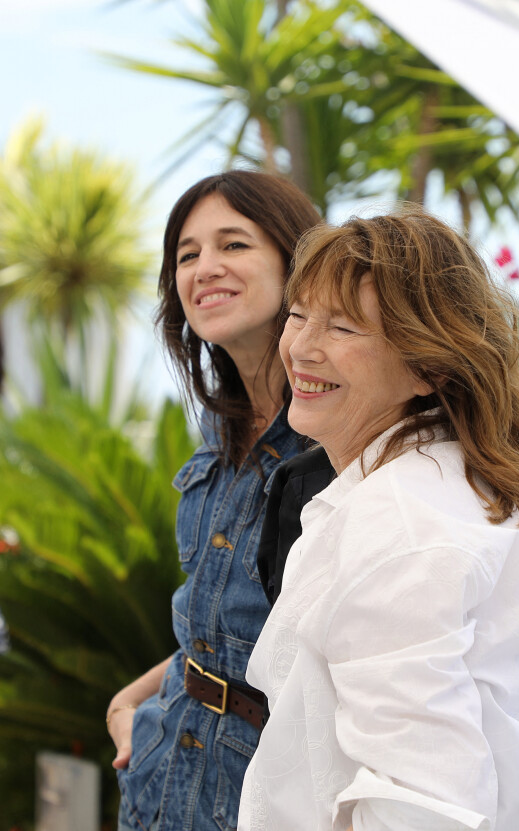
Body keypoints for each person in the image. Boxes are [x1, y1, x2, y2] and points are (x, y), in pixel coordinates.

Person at [238, 208, 519, 830]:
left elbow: (423, 809)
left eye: (342, 327)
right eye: (298, 314)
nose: (302, 347)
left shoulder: (401, 527)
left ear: (430, 367)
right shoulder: (425, 487)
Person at [106, 169, 321, 831]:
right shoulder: (218, 431)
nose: (205, 268)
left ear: (295, 260)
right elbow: (221, 629)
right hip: (164, 773)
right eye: (187, 254)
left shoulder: (340, 438)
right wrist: (131, 701)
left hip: (265, 793)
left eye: (233, 244)